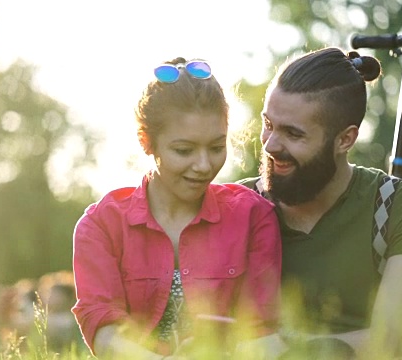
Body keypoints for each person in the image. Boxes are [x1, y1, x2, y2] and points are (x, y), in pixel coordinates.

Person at [238, 47, 402, 358]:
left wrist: (286, 349)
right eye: (268, 124)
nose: (270, 145)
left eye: (293, 134)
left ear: (345, 139)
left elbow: (394, 341)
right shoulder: (237, 206)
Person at [72, 57, 282, 359]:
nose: (203, 165)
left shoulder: (253, 216)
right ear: (147, 142)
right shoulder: (101, 225)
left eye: (216, 147)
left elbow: (262, 332)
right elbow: (103, 331)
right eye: (184, 150)